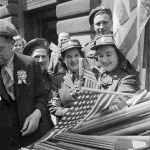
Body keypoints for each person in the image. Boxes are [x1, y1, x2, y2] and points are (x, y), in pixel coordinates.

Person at [0, 20, 52, 149]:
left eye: (0, 48)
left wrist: (37, 113)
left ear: (12, 44)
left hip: (32, 139)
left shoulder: (30, 64)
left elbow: (42, 96)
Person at [48, 39, 84, 119]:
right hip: (68, 125)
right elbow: (53, 107)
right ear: (63, 60)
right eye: (69, 57)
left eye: (76, 55)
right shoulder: (57, 79)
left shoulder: (91, 76)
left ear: (81, 56)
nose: (73, 60)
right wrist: (73, 112)